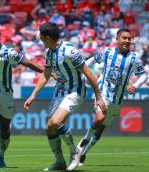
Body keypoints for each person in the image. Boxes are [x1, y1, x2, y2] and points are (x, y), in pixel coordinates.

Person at [23, 22, 106, 171]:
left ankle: (75, 153)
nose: (40, 41)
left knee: (56, 121)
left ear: (47, 38)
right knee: (49, 127)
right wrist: (33, 94)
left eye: (41, 38)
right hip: (60, 91)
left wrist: (98, 97)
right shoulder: (49, 52)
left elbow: (89, 74)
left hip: (75, 90)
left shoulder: (69, 51)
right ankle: (60, 162)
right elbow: (46, 74)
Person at [0, 28, 44, 168]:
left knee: (5, 130)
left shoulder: (8, 53)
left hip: (6, 93)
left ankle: (0, 156)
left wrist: (45, 71)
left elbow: (27, 62)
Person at [76, 28, 147, 166]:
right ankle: (83, 141)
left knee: (101, 128)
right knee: (100, 118)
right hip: (102, 93)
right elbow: (90, 60)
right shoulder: (107, 52)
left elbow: (143, 75)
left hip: (117, 100)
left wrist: (136, 85)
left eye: (129, 38)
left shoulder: (134, 58)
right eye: (124, 38)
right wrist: (82, 74)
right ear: (117, 39)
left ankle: (83, 154)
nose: (127, 41)